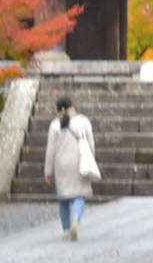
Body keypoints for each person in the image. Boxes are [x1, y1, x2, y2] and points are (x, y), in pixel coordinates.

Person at [42, 95, 96, 240]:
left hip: (61, 164)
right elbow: (90, 144)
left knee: (63, 198)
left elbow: (50, 150)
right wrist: (91, 159)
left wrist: (48, 171)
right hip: (79, 162)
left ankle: (66, 229)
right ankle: (75, 219)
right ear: (73, 106)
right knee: (80, 194)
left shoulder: (55, 125)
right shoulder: (84, 122)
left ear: (58, 109)